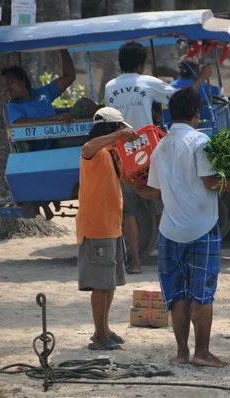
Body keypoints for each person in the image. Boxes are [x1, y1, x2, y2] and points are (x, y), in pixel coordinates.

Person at [132, 87, 230, 366]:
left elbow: (155, 192)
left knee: (178, 295)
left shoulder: (160, 147)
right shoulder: (199, 141)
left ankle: (181, 353)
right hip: (201, 228)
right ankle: (202, 353)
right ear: (197, 113)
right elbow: (210, 182)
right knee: (202, 294)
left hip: (169, 231)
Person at [104, 41, 177, 274]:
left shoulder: (110, 87)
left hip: (122, 155)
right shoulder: (147, 81)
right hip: (148, 153)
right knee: (159, 208)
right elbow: (174, 97)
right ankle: (168, 261)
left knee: (130, 213)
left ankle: (134, 263)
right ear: (141, 63)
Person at [76, 107, 138, 350]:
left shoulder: (111, 153)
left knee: (109, 283)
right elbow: (87, 148)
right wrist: (118, 136)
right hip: (96, 227)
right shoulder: (93, 150)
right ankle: (99, 335)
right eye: (119, 127)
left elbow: (126, 178)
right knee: (101, 285)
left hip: (112, 226)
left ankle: (104, 329)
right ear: (111, 128)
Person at [1, 49, 76, 126]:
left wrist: (62, 47)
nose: (7, 88)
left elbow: (69, 77)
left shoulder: (43, 93)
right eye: (4, 85)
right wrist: (53, 119)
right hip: (38, 138)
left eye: (10, 82)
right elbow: (21, 122)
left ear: (22, 81)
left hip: (60, 137)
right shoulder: (10, 108)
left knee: (84, 103)